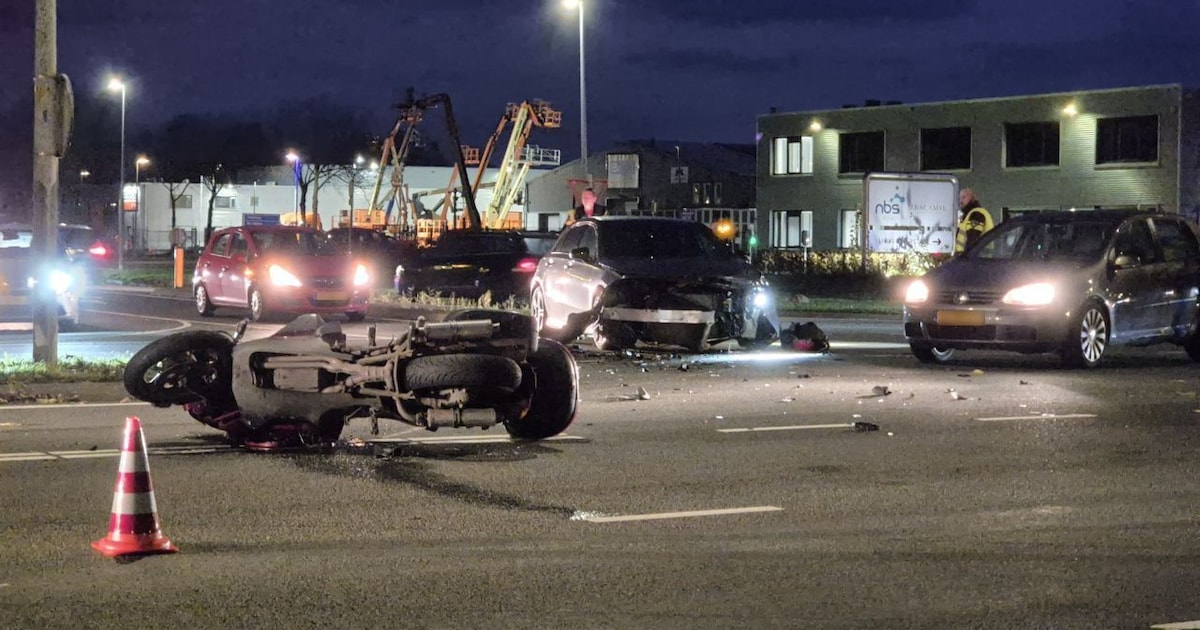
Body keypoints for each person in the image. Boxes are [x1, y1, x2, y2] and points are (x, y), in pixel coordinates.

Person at [955, 187, 994, 254]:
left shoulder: (976, 214)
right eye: (959, 198)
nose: (961, 201)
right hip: (976, 257)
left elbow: (973, 239)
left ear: (972, 198)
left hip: (977, 258)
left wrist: (967, 257)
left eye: (964, 197)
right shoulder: (968, 215)